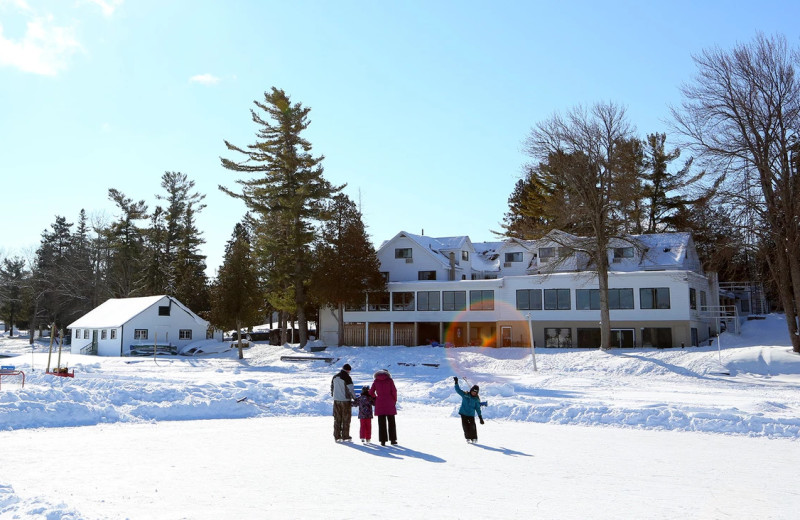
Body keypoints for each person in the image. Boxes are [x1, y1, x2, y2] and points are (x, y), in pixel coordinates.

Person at [369, 369, 398, 446]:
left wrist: (376, 398)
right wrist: (394, 400)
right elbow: (394, 391)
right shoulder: (390, 380)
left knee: (381, 422)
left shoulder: (376, 381)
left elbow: (371, 392)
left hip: (380, 402)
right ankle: (393, 439)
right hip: (389, 402)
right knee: (391, 422)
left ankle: (383, 440)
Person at [454, 376, 484, 443]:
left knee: (472, 426)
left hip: (471, 414)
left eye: (475, 392)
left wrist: (480, 417)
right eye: (473, 391)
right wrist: (456, 382)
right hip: (463, 413)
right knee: (465, 426)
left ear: (477, 393)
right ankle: (468, 438)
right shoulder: (465, 395)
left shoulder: (476, 399)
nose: (474, 393)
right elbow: (458, 390)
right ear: (471, 390)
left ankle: (474, 438)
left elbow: (478, 408)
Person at [331, 363, 355, 442]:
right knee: (346, 419)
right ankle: (345, 436)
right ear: (348, 370)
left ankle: (337, 436)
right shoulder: (347, 377)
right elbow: (350, 389)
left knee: (337, 418)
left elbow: (332, 388)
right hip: (345, 401)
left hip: (336, 400)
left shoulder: (335, 376)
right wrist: (355, 398)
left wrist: (333, 396)